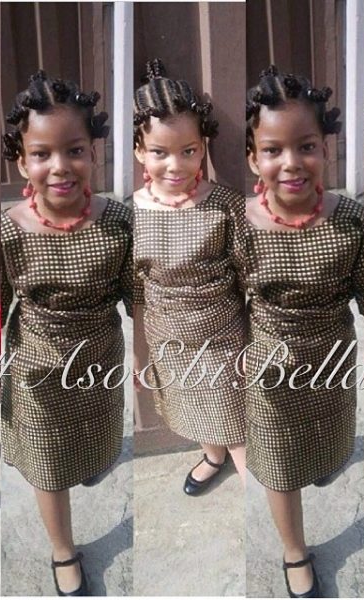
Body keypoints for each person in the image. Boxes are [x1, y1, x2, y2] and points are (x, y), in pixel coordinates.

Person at [1, 71, 133, 596]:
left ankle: (90, 462)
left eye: (74, 150)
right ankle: (62, 550)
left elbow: (139, 296)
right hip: (36, 367)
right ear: (22, 162)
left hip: (100, 358)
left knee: (92, 446)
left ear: (93, 153)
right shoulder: (10, 229)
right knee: (48, 464)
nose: (59, 166)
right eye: (41, 154)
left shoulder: (117, 220)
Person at [245, 66, 364, 598]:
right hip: (268, 365)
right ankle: (294, 551)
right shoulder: (239, 225)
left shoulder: (351, 218)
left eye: (306, 146)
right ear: (254, 158)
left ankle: (321, 462)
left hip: (332, 359)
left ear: (325, 149)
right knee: (278, 463)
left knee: (325, 447)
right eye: (273, 150)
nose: (291, 162)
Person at [133, 58, 246, 494]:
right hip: (168, 336)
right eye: (159, 153)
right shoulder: (133, 213)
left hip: (222, 337)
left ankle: (260, 490)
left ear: (203, 147)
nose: (175, 165)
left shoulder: (224, 205)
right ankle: (213, 455)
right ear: (140, 151)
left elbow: (251, 274)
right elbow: (135, 288)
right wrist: (139, 350)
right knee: (191, 403)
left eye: (188, 151)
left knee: (232, 415)